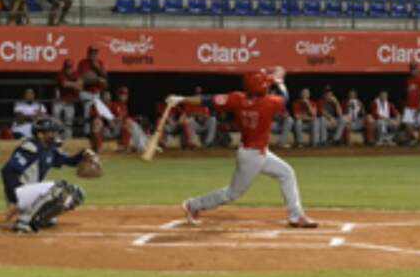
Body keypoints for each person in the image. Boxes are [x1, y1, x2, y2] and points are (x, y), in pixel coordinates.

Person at [171, 68, 317, 228]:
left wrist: (182, 99)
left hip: (255, 152)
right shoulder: (268, 103)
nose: (268, 87)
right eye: (265, 85)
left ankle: (296, 215)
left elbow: (208, 99)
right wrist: (280, 81)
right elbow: (285, 97)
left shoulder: (237, 99)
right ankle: (193, 205)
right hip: (252, 157)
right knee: (232, 193)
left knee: (287, 173)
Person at [1, 116, 88, 233]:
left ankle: (40, 218)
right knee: (58, 187)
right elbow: (8, 171)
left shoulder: (50, 149)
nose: (55, 135)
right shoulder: (30, 148)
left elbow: (70, 161)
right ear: (40, 134)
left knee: (77, 193)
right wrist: (13, 201)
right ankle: (24, 221)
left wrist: (83, 155)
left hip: (34, 196)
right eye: (52, 132)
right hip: (18, 193)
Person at [106, 87, 149, 153]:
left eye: (125, 94)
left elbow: (125, 118)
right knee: (130, 124)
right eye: (122, 94)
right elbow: (108, 118)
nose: (124, 96)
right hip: (112, 128)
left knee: (134, 124)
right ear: (118, 95)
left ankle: (141, 145)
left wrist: (136, 118)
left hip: (122, 127)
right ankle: (138, 146)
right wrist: (116, 121)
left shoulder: (124, 106)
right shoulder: (112, 104)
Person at [53, 59, 81, 140]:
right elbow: (64, 84)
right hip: (59, 101)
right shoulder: (60, 73)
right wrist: (74, 84)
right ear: (64, 67)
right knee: (56, 117)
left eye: (70, 67)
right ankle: (56, 138)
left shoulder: (76, 73)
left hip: (70, 102)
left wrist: (72, 84)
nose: (69, 69)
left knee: (68, 121)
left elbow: (80, 85)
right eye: (67, 67)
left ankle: (68, 139)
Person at [402, 63, 420, 144]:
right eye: (411, 69)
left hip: (419, 106)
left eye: (414, 69)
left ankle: (419, 145)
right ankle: (414, 136)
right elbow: (408, 94)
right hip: (409, 107)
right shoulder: (409, 80)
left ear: (418, 69)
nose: (412, 70)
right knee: (407, 124)